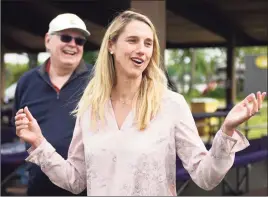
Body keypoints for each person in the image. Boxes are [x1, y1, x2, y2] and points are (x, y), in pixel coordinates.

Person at [15, 10, 266, 196]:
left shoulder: (171, 104)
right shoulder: (91, 107)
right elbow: (76, 180)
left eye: (148, 43)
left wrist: (227, 131)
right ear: (111, 45)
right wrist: (39, 143)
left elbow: (205, 176)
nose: (142, 50)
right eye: (133, 40)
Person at [13, 13, 92, 196]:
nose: (73, 44)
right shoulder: (26, 82)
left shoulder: (98, 81)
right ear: (48, 40)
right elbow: (21, 131)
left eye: (79, 41)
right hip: (39, 189)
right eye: (65, 37)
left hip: (88, 189)